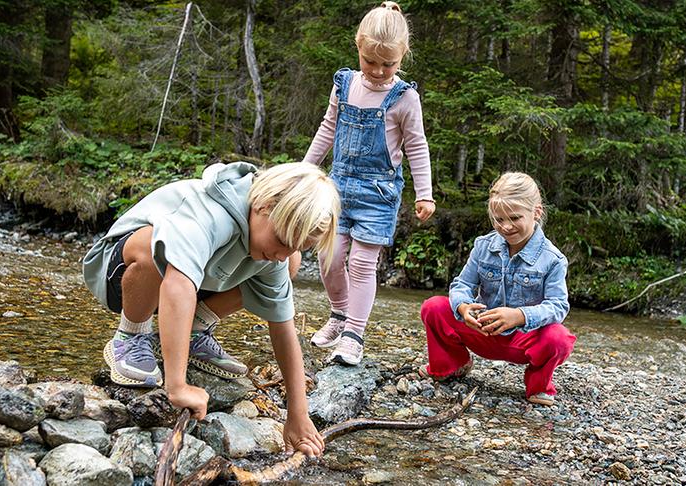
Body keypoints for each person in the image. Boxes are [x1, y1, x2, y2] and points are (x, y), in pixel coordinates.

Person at [82, 161, 338, 456]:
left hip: (191, 282)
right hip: (122, 273)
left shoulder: (274, 247)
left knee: (282, 266)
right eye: (282, 240)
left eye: (297, 246)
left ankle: (193, 330)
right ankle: (131, 336)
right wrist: (177, 386)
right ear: (263, 206)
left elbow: (283, 327)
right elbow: (178, 285)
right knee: (154, 244)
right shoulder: (211, 213)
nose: (283, 252)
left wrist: (298, 413)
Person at [302, 1, 434, 366]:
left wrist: (425, 193)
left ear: (402, 55)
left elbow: (417, 145)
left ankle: (354, 336)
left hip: (378, 193)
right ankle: (339, 315)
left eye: (387, 64)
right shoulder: (343, 85)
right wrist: (306, 169)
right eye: (370, 61)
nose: (377, 71)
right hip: (338, 187)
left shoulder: (405, 98)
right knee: (328, 257)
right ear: (358, 47)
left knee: (361, 263)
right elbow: (328, 128)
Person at [418, 172, 576, 406]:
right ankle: (452, 365)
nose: (506, 227)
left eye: (514, 218)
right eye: (498, 219)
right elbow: (462, 284)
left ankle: (538, 384)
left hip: (523, 340)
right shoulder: (483, 246)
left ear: (537, 212)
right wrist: (463, 308)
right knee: (434, 307)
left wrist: (519, 316)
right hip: (481, 331)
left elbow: (558, 306)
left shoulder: (552, 259)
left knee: (559, 338)